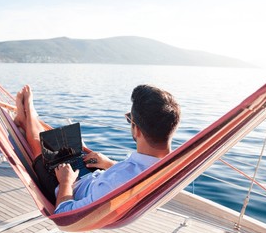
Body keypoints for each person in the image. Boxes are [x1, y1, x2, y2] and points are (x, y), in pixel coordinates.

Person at [14, 84, 181, 214]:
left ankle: (28, 115)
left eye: (129, 119)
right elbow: (132, 174)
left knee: (40, 146)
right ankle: (28, 117)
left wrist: (66, 181)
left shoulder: (114, 184)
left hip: (68, 188)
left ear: (136, 130)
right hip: (95, 177)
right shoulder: (170, 166)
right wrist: (108, 163)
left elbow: (65, 212)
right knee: (67, 145)